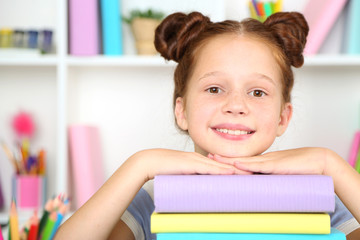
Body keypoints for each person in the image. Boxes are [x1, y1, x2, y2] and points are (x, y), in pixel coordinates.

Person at [55, 11, 360, 240]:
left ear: (283, 117)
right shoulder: (156, 194)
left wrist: (329, 163)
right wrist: (140, 164)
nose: (236, 105)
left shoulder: (317, 194)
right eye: (215, 88)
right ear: (182, 110)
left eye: (257, 92)